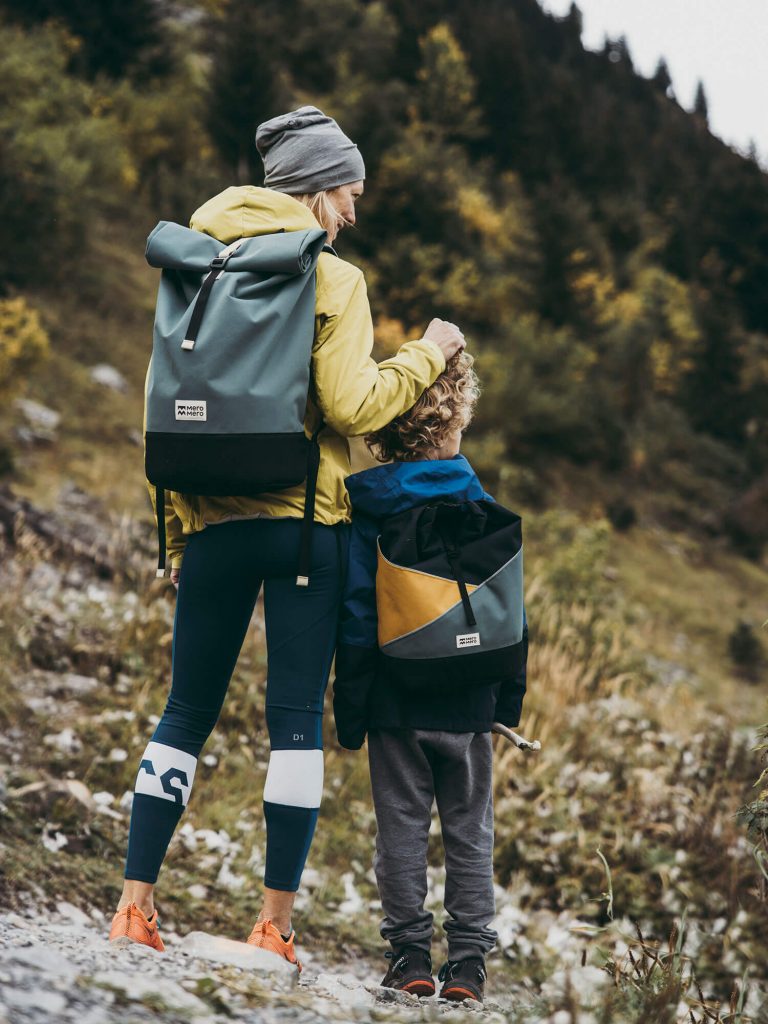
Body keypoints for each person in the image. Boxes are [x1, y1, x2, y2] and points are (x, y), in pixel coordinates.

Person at [108, 106, 466, 962]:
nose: (353, 211)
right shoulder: (331, 277)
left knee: (183, 713)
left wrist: (183, 532)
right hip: (309, 528)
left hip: (214, 526)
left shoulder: (193, 257)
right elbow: (351, 406)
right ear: (314, 190)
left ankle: (133, 908)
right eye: (348, 192)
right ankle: (272, 929)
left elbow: (169, 408)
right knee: (295, 721)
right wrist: (427, 354)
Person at [333, 352, 528, 1004]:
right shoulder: (486, 510)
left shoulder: (372, 513)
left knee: (402, 833)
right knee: (471, 834)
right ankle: (468, 966)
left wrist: (352, 703)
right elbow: (510, 612)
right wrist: (508, 698)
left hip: (397, 698)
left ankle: (410, 955)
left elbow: (359, 615)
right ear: (459, 422)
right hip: (471, 703)